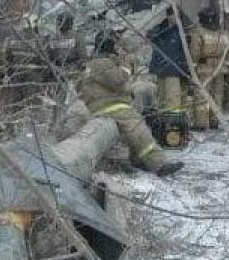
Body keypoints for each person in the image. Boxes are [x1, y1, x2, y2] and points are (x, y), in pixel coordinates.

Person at [77, 30, 183, 177]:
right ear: (110, 46)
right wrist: (125, 65)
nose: (118, 49)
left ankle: (139, 159)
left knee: (136, 120)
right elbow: (119, 80)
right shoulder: (102, 63)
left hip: (103, 103)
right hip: (109, 105)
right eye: (116, 45)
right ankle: (158, 164)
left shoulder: (94, 63)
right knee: (138, 128)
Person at [188, 6, 229, 129]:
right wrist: (227, 65)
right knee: (217, 95)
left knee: (201, 95)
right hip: (220, 69)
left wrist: (192, 66)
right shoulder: (224, 33)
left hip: (203, 68)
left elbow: (195, 51)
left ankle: (201, 123)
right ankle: (215, 121)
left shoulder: (198, 32)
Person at [147, 7, 190, 118]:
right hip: (161, 69)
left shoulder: (183, 32)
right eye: (171, 15)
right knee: (161, 99)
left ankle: (173, 126)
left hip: (175, 70)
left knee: (173, 100)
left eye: (175, 15)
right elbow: (150, 36)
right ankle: (162, 123)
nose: (173, 18)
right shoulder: (160, 30)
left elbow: (187, 52)